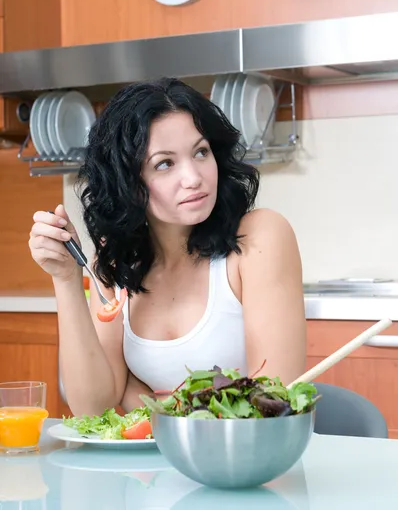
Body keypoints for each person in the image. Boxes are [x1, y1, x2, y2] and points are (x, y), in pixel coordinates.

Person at [29, 77, 306, 417]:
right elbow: (92, 406)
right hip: (150, 469)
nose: (193, 177)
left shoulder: (260, 236)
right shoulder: (117, 259)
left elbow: (272, 404)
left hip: (250, 466)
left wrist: (141, 398)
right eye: (165, 163)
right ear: (129, 184)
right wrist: (66, 280)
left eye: (201, 152)